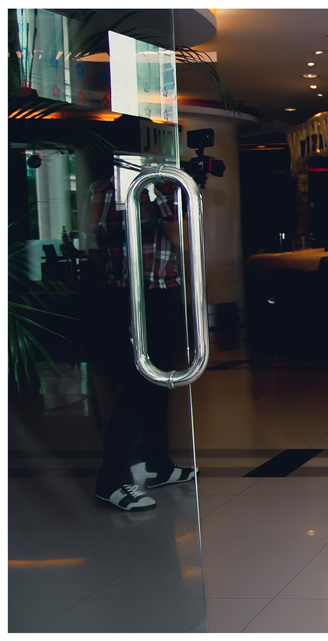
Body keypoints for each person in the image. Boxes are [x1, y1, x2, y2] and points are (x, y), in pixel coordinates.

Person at [85, 153, 197, 511]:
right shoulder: (146, 190)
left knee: (158, 383)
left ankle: (157, 464)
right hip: (141, 295)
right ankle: (111, 479)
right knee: (138, 387)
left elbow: (99, 242)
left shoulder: (108, 190)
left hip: (143, 293)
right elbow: (181, 238)